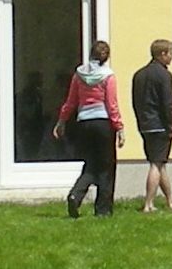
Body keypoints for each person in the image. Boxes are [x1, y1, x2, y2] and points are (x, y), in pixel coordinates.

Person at [53, 39, 128, 218]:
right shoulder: (108, 76)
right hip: (103, 123)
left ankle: (76, 194)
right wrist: (119, 127)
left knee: (91, 164)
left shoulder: (79, 74)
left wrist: (61, 121)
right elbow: (111, 104)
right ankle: (103, 209)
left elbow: (71, 101)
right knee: (106, 167)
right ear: (106, 57)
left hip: (84, 123)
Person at [134, 39, 172, 213]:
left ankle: (170, 200)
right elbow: (168, 103)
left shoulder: (139, 75)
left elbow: (135, 101)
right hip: (160, 125)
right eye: (170, 53)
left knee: (160, 163)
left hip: (145, 124)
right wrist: (171, 125)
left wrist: (140, 120)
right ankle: (149, 203)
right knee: (156, 164)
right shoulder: (164, 75)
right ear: (162, 54)